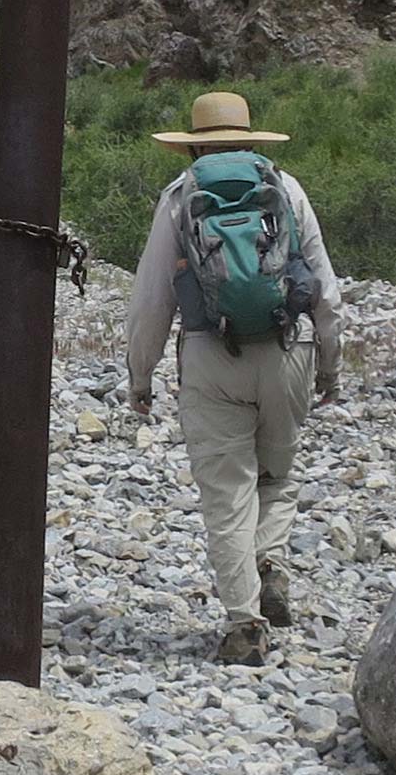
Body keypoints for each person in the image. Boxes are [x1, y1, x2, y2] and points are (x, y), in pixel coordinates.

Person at [123, 90, 342, 665]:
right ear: (250, 137)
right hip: (286, 348)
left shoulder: (180, 197)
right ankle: (269, 562)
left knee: (227, 493)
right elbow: (324, 287)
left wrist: (139, 377)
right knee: (277, 474)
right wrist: (330, 364)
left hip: (210, 354)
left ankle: (245, 626)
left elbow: (151, 301)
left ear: (194, 143)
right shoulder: (286, 191)